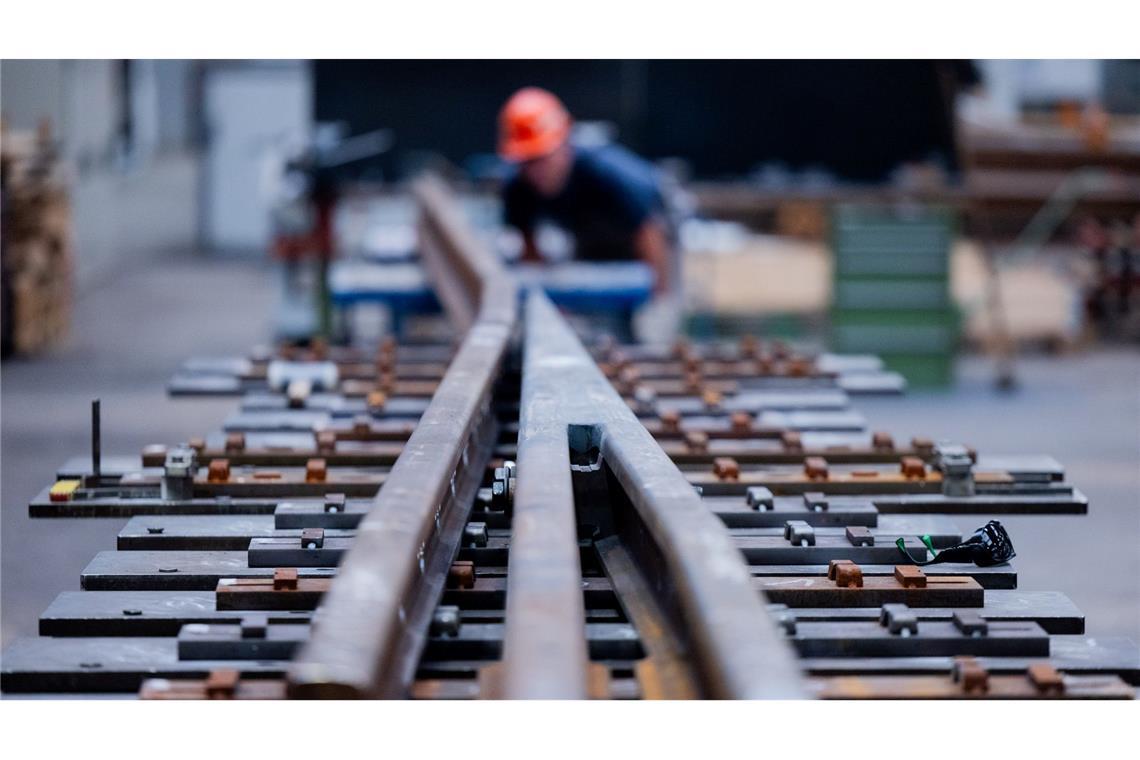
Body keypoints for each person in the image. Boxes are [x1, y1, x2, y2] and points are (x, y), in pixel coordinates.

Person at [497, 87, 675, 295]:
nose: (535, 170)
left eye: (541, 159)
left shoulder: (607, 173)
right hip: (591, 239)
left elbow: (649, 230)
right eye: (527, 162)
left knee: (652, 313)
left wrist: (657, 297)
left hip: (653, 235)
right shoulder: (518, 186)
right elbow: (530, 253)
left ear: (563, 144)